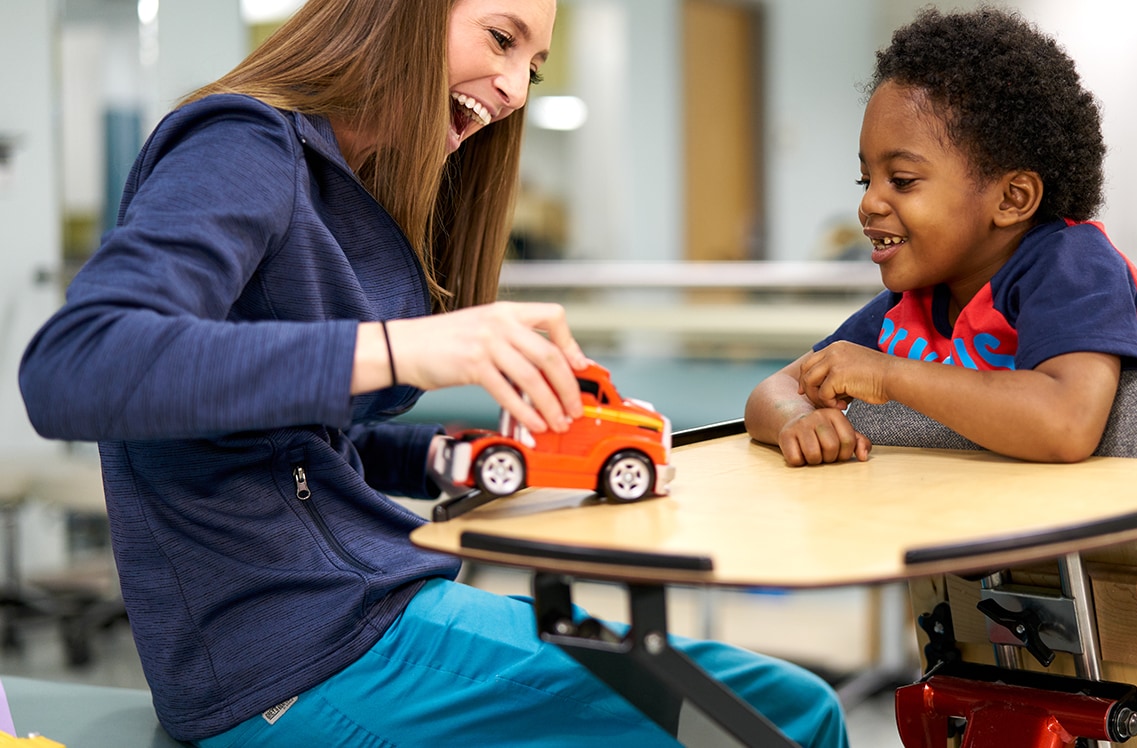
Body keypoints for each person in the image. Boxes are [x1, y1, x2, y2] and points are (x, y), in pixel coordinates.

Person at [18, 1, 847, 745]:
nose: (518, 86)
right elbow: (79, 364)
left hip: (359, 623)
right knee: (790, 716)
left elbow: (289, 444)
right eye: (501, 37)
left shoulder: (345, 189)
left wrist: (460, 456)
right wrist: (405, 349)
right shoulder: (242, 143)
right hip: (299, 663)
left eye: (535, 65)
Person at [746, 7, 1137, 467]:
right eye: (865, 180)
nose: (869, 203)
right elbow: (775, 390)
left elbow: (1066, 425)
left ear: (1011, 198)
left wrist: (888, 375)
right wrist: (796, 419)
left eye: (902, 180)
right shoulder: (915, 303)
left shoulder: (1073, 263)